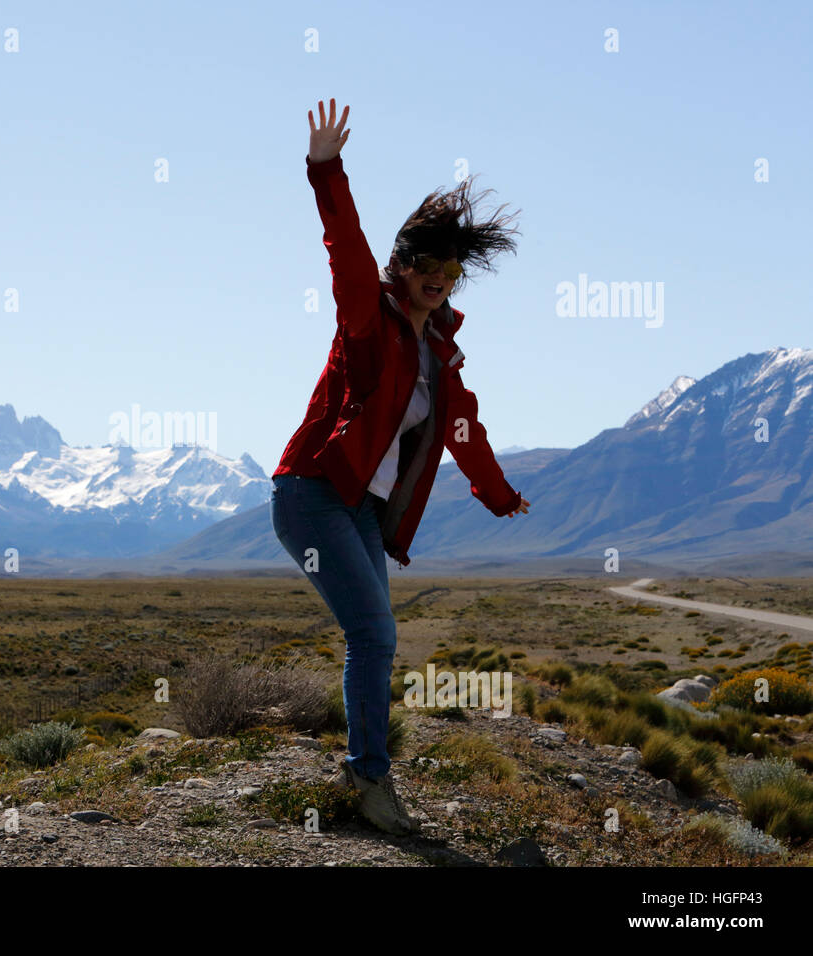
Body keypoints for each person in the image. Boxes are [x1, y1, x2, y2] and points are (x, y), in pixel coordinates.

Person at [270, 98, 531, 835]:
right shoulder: (366, 314)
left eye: (450, 269)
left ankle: (363, 766)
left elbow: (462, 429)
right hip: (311, 492)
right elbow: (344, 245)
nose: (438, 278)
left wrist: (499, 495)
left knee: (377, 638)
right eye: (426, 265)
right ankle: (368, 777)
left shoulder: (439, 354)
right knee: (376, 635)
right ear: (402, 266)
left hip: (359, 509)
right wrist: (327, 169)